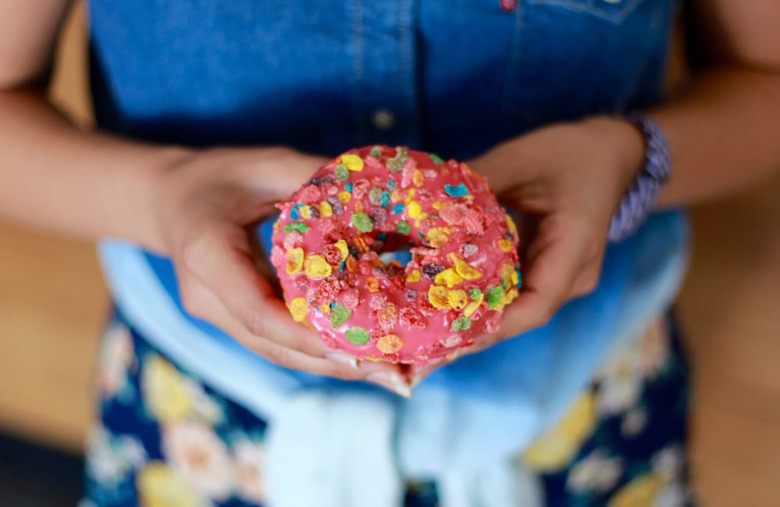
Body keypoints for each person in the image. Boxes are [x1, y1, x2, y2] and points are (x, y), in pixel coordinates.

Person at [2, 1, 779, 506]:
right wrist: (161, 197)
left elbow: (763, 80)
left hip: (585, 400)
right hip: (204, 412)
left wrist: (627, 156)